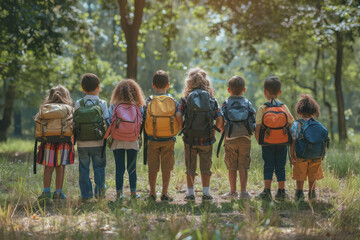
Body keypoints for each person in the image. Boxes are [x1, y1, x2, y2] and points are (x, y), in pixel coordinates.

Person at [176, 68, 224, 202]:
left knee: (190, 166)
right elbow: (220, 118)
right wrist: (215, 128)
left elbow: (178, 114)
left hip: (190, 138)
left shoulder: (185, 98)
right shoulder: (211, 99)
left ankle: (190, 194)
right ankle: (206, 193)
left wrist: (182, 127)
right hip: (207, 138)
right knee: (205, 167)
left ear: (189, 83)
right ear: (206, 82)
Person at [255, 76, 294, 201]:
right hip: (282, 142)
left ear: (265, 92)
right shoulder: (284, 107)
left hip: (267, 142)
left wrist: (259, 140)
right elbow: (291, 123)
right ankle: (281, 192)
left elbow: (258, 127)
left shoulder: (263, 108)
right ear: (280, 92)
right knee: (280, 166)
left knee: (268, 165)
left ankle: (266, 192)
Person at [144, 70, 180, 202]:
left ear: (153, 85)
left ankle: (152, 193)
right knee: (167, 167)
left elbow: (144, 117)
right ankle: (164, 193)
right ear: (168, 85)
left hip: (153, 138)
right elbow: (178, 115)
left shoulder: (149, 100)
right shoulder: (173, 101)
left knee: (153, 167)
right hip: (168, 139)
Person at [108, 79, 145, 200]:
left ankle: (119, 194)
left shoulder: (114, 106)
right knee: (132, 168)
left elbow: (109, 121)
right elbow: (141, 122)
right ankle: (133, 193)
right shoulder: (138, 106)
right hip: (132, 140)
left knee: (119, 168)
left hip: (117, 139)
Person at [36, 85, 75, 200]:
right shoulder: (68, 108)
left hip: (47, 141)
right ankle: (58, 193)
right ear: (66, 96)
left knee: (48, 166)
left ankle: (46, 192)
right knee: (60, 167)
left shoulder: (45, 108)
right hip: (63, 141)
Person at [220, 76, 256, 200]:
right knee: (243, 165)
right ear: (244, 90)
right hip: (245, 137)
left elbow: (221, 119)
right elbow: (253, 116)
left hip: (230, 138)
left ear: (229, 90)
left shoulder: (226, 103)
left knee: (232, 166)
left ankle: (233, 192)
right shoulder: (247, 103)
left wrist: (222, 131)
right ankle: (244, 192)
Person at [74, 73, 110, 200]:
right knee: (99, 168)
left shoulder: (78, 103)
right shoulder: (102, 103)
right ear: (98, 87)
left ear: (83, 89)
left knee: (83, 168)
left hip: (82, 143)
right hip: (98, 142)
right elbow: (107, 121)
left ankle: (85, 194)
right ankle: (99, 193)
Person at [290, 94, 328, 201]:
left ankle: (299, 193)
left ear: (300, 111)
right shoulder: (319, 125)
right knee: (313, 175)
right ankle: (312, 193)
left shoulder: (296, 124)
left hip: (301, 155)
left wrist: (292, 154)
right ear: (314, 112)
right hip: (316, 155)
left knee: (300, 175)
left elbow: (293, 140)